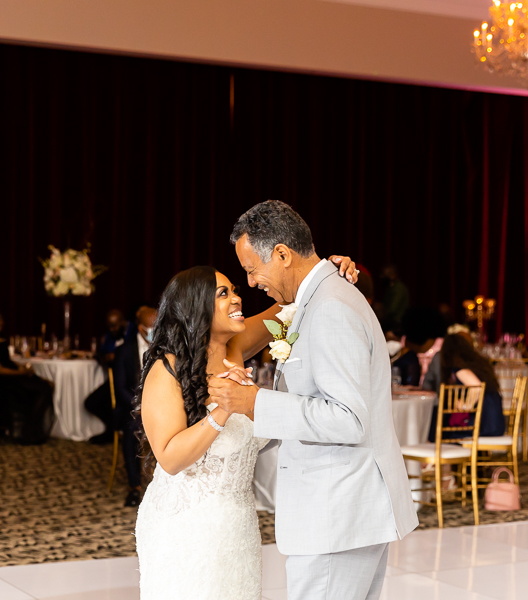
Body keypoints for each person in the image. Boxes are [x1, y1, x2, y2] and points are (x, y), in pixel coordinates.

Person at [208, 200, 418, 600]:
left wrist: (255, 402)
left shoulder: (330, 307)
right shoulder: (318, 298)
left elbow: (348, 419)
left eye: (252, 270)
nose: (250, 283)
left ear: (283, 254)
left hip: (337, 514)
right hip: (343, 511)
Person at [134, 252, 360, 600]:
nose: (237, 297)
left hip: (237, 526)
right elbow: (170, 458)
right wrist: (221, 412)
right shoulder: (166, 370)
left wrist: (333, 269)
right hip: (183, 527)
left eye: (234, 289)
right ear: (196, 307)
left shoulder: (234, 344)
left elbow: (298, 296)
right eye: (223, 293)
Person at [0, 309, 55, 444]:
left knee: (42, 384)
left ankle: (30, 429)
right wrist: (22, 372)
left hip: (6, 380)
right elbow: (0, 370)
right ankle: (29, 431)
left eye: (0, 319)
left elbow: (5, 361)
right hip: (3, 383)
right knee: (43, 388)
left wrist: (19, 367)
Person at [112, 306, 157, 507]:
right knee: (131, 429)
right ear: (141, 329)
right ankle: (134, 487)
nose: (156, 330)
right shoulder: (124, 350)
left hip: (163, 407)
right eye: (152, 327)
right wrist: (140, 406)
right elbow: (120, 387)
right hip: (133, 408)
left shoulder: (170, 348)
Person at [427, 333, 505, 439]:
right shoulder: (478, 364)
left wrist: (465, 406)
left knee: (438, 424)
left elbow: (477, 387)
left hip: (484, 424)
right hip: (494, 422)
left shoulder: (460, 369)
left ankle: (431, 448)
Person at [379, 264, 410, 334]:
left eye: (384, 275)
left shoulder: (397, 288)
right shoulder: (392, 287)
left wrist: (381, 314)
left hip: (396, 325)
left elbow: (392, 309)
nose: (382, 277)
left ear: (392, 275)